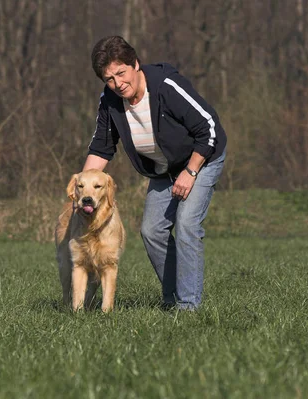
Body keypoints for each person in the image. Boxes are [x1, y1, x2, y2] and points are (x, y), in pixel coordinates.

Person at [82, 36, 227, 311]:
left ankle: (188, 307)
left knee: (186, 225)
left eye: (121, 73)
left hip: (203, 158)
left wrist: (191, 171)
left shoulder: (165, 86)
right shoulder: (110, 100)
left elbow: (209, 128)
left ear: (135, 64)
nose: (118, 83)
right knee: (151, 231)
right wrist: (81, 188)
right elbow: (101, 148)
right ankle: (173, 300)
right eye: (109, 78)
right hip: (164, 168)